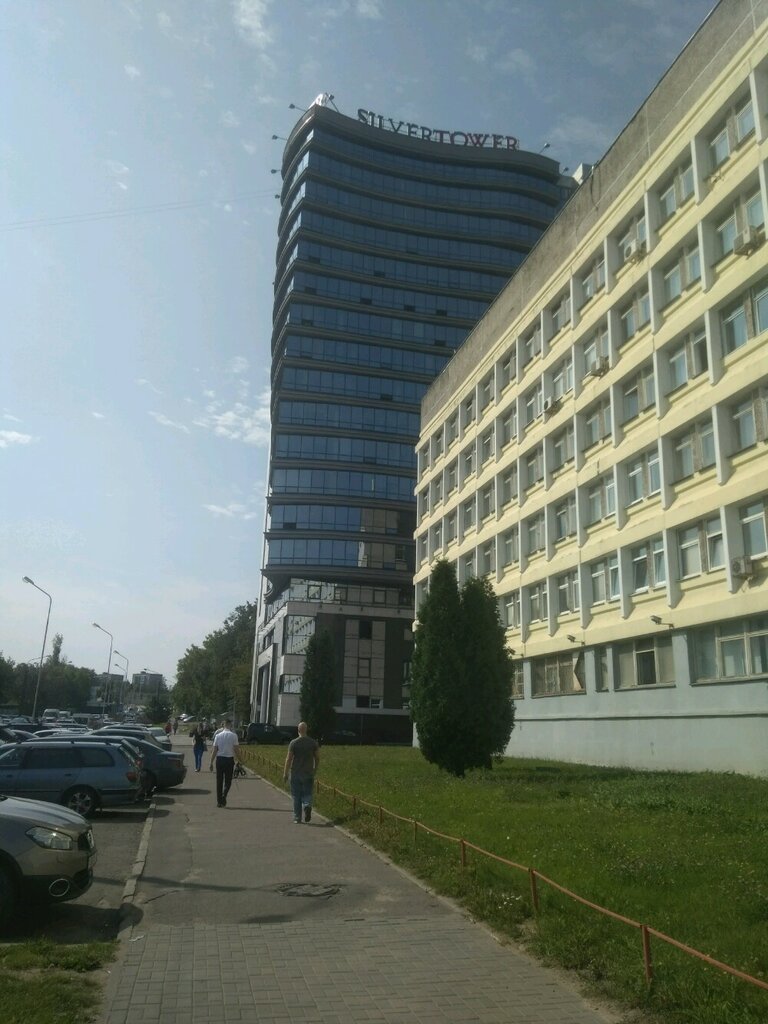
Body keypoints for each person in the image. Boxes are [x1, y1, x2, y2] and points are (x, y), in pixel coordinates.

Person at [283, 722, 320, 823]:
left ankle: (297, 818)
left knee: (296, 796)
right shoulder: (313, 743)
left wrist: (285, 773)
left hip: (296, 773)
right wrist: (315, 769)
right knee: (307, 793)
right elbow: (317, 758)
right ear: (306, 730)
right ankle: (307, 805)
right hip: (308, 772)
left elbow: (289, 759)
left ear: (298, 730)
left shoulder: (294, 743)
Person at [209, 718, 241, 807]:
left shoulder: (218, 736)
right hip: (229, 760)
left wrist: (211, 762)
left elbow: (214, 750)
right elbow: (236, 750)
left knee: (219, 781)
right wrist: (240, 759)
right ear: (230, 725)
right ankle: (224, 795)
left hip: (219, 760)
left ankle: (219, 801)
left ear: (223, 725)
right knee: (228, 781)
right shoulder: (234, 736)